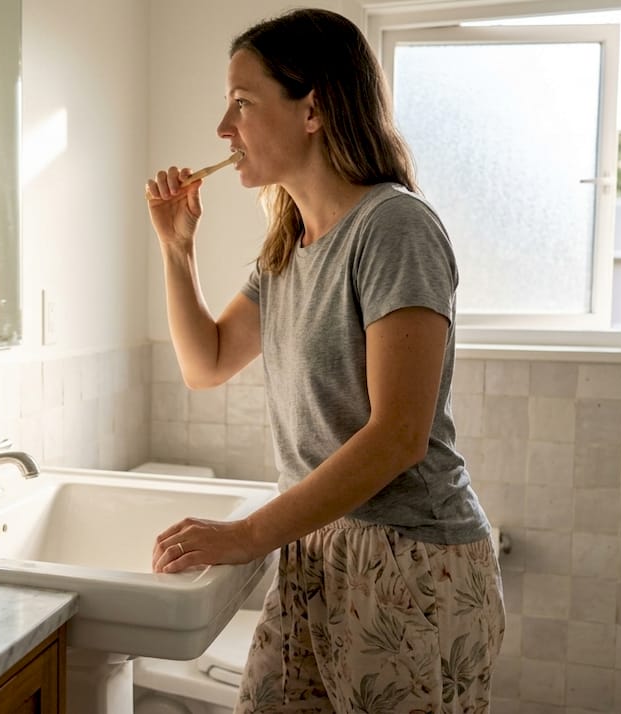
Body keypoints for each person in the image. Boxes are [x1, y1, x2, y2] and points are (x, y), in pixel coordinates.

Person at [145, 9, 504, 712]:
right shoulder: (289, 249)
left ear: (313, 108)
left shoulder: (394, 227)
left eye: (242, 104)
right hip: (316, 552)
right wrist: (177, 249)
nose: (223, 128)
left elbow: (400, 436)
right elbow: (206, 363)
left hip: (409, 562)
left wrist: (247, 535)